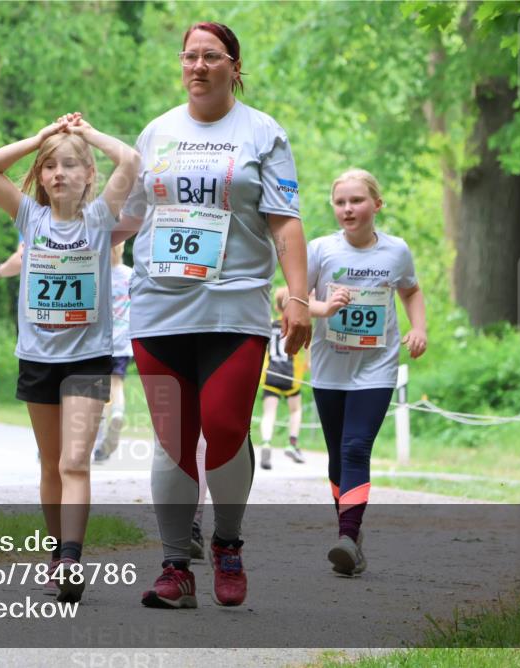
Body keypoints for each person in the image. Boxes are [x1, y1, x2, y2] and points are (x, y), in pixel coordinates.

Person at [116, 23, 311, 608]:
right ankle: (176, 566)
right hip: (158, 307)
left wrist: (298, 296)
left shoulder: (262, 133)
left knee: (225, 426)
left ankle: (227, 541)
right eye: (189, 57)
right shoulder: (157, 132)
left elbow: (285, 222)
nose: (197, 66)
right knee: (172, 438)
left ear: (234, 66)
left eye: (210, 57)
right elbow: (126, 218)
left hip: (234, 306)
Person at [0, 111, 139, 603]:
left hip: (88, 357)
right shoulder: (30, 217)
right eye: (50, 167)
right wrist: (41, 138)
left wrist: (87, 134)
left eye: (70, 166)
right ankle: (56, 554)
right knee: (50, 464)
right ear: (41, 176)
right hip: (38, 358)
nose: (59, 174)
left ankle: (71, 559)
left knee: (74, 462)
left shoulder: (100, 217)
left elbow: (129, 159)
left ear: (89, 175)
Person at [308, 168, 426, 576]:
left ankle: (346, 533)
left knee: (356, 448)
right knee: (337, 456)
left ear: (376, 204)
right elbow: (291, 298)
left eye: (356, 201)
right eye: (340, 202)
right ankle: (351, 537)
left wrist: (419, 328)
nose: (347, 209)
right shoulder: (321, 250)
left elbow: (410, 290)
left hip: (376, 367)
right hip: (328, 367)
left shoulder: (396, 251)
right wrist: (323, 308)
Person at [258, 286, 308, 469]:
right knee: (295, 410)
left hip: (271, 373)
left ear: (277, 307)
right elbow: (305, 353)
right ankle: (292, 444)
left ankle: (265, 443)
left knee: (269, 412)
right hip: (290, 375)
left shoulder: (269, 326)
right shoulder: (297, 325)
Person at [93, 241, 133, 463]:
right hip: (123, 340)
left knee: (97, 392)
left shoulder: (97, 274)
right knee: (116, 385)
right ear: (122, 248)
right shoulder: (131, 275)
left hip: (100, 342)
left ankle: (98, 443)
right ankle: (117, 413)